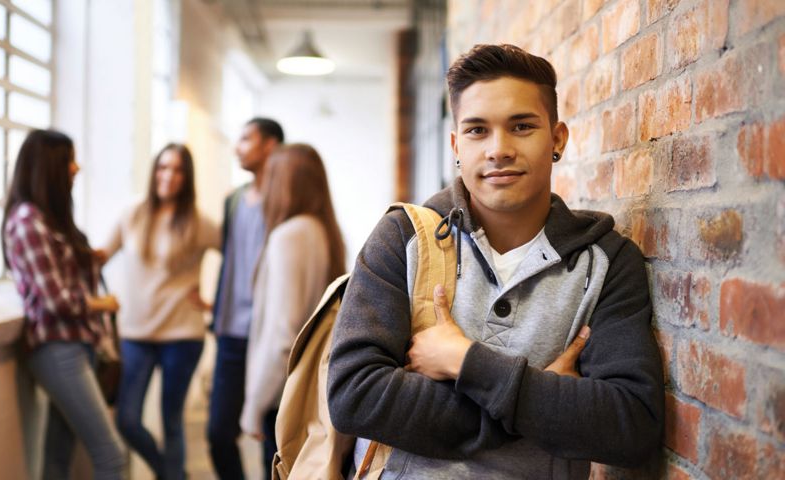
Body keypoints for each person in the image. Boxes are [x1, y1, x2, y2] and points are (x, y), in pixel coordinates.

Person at [327, 44, 664, 479]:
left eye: (522, 126)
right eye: (477, 130)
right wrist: (533, 403)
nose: (498, 149)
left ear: (557, 138)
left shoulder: (607, 262)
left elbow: (630, 425)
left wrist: (464, 360)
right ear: (456, 145)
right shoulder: (403, 238)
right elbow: (354, 396)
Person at [1, 129, 127, 479]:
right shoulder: (28, 221)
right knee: (112, 455)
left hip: (75, 345)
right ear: (49, 166)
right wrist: (102, 304)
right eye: (69, 160)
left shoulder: (47, 219)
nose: (76, 168)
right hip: (58, 349)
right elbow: (55, 299)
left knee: (58, 458)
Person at [100, 143, 220, 480]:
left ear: (187, 177)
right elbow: (100, 257)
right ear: (154, 172)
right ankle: (173, 475)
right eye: (163, 168)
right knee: (127, 419)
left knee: (171, 421)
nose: (168, 176)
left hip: (183, 336)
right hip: (135, 335)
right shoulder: (132, 215)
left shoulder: (198, 221)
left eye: (178, 170)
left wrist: (215, 302)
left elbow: (239, 257)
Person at [239, 143, 346, 480]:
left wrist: (254, 405)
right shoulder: (323, 231)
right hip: (308, 391)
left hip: (283, 394)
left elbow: (283, 335)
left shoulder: (289, 235)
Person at [207, 117, 284, 479]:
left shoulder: (285, 200)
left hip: (270, 337)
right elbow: (230, 259)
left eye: (246, 139)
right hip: (231, 334)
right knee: (219, 432)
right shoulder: (234, 200)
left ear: (269, 145)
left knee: (272, 437)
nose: (238, 147)